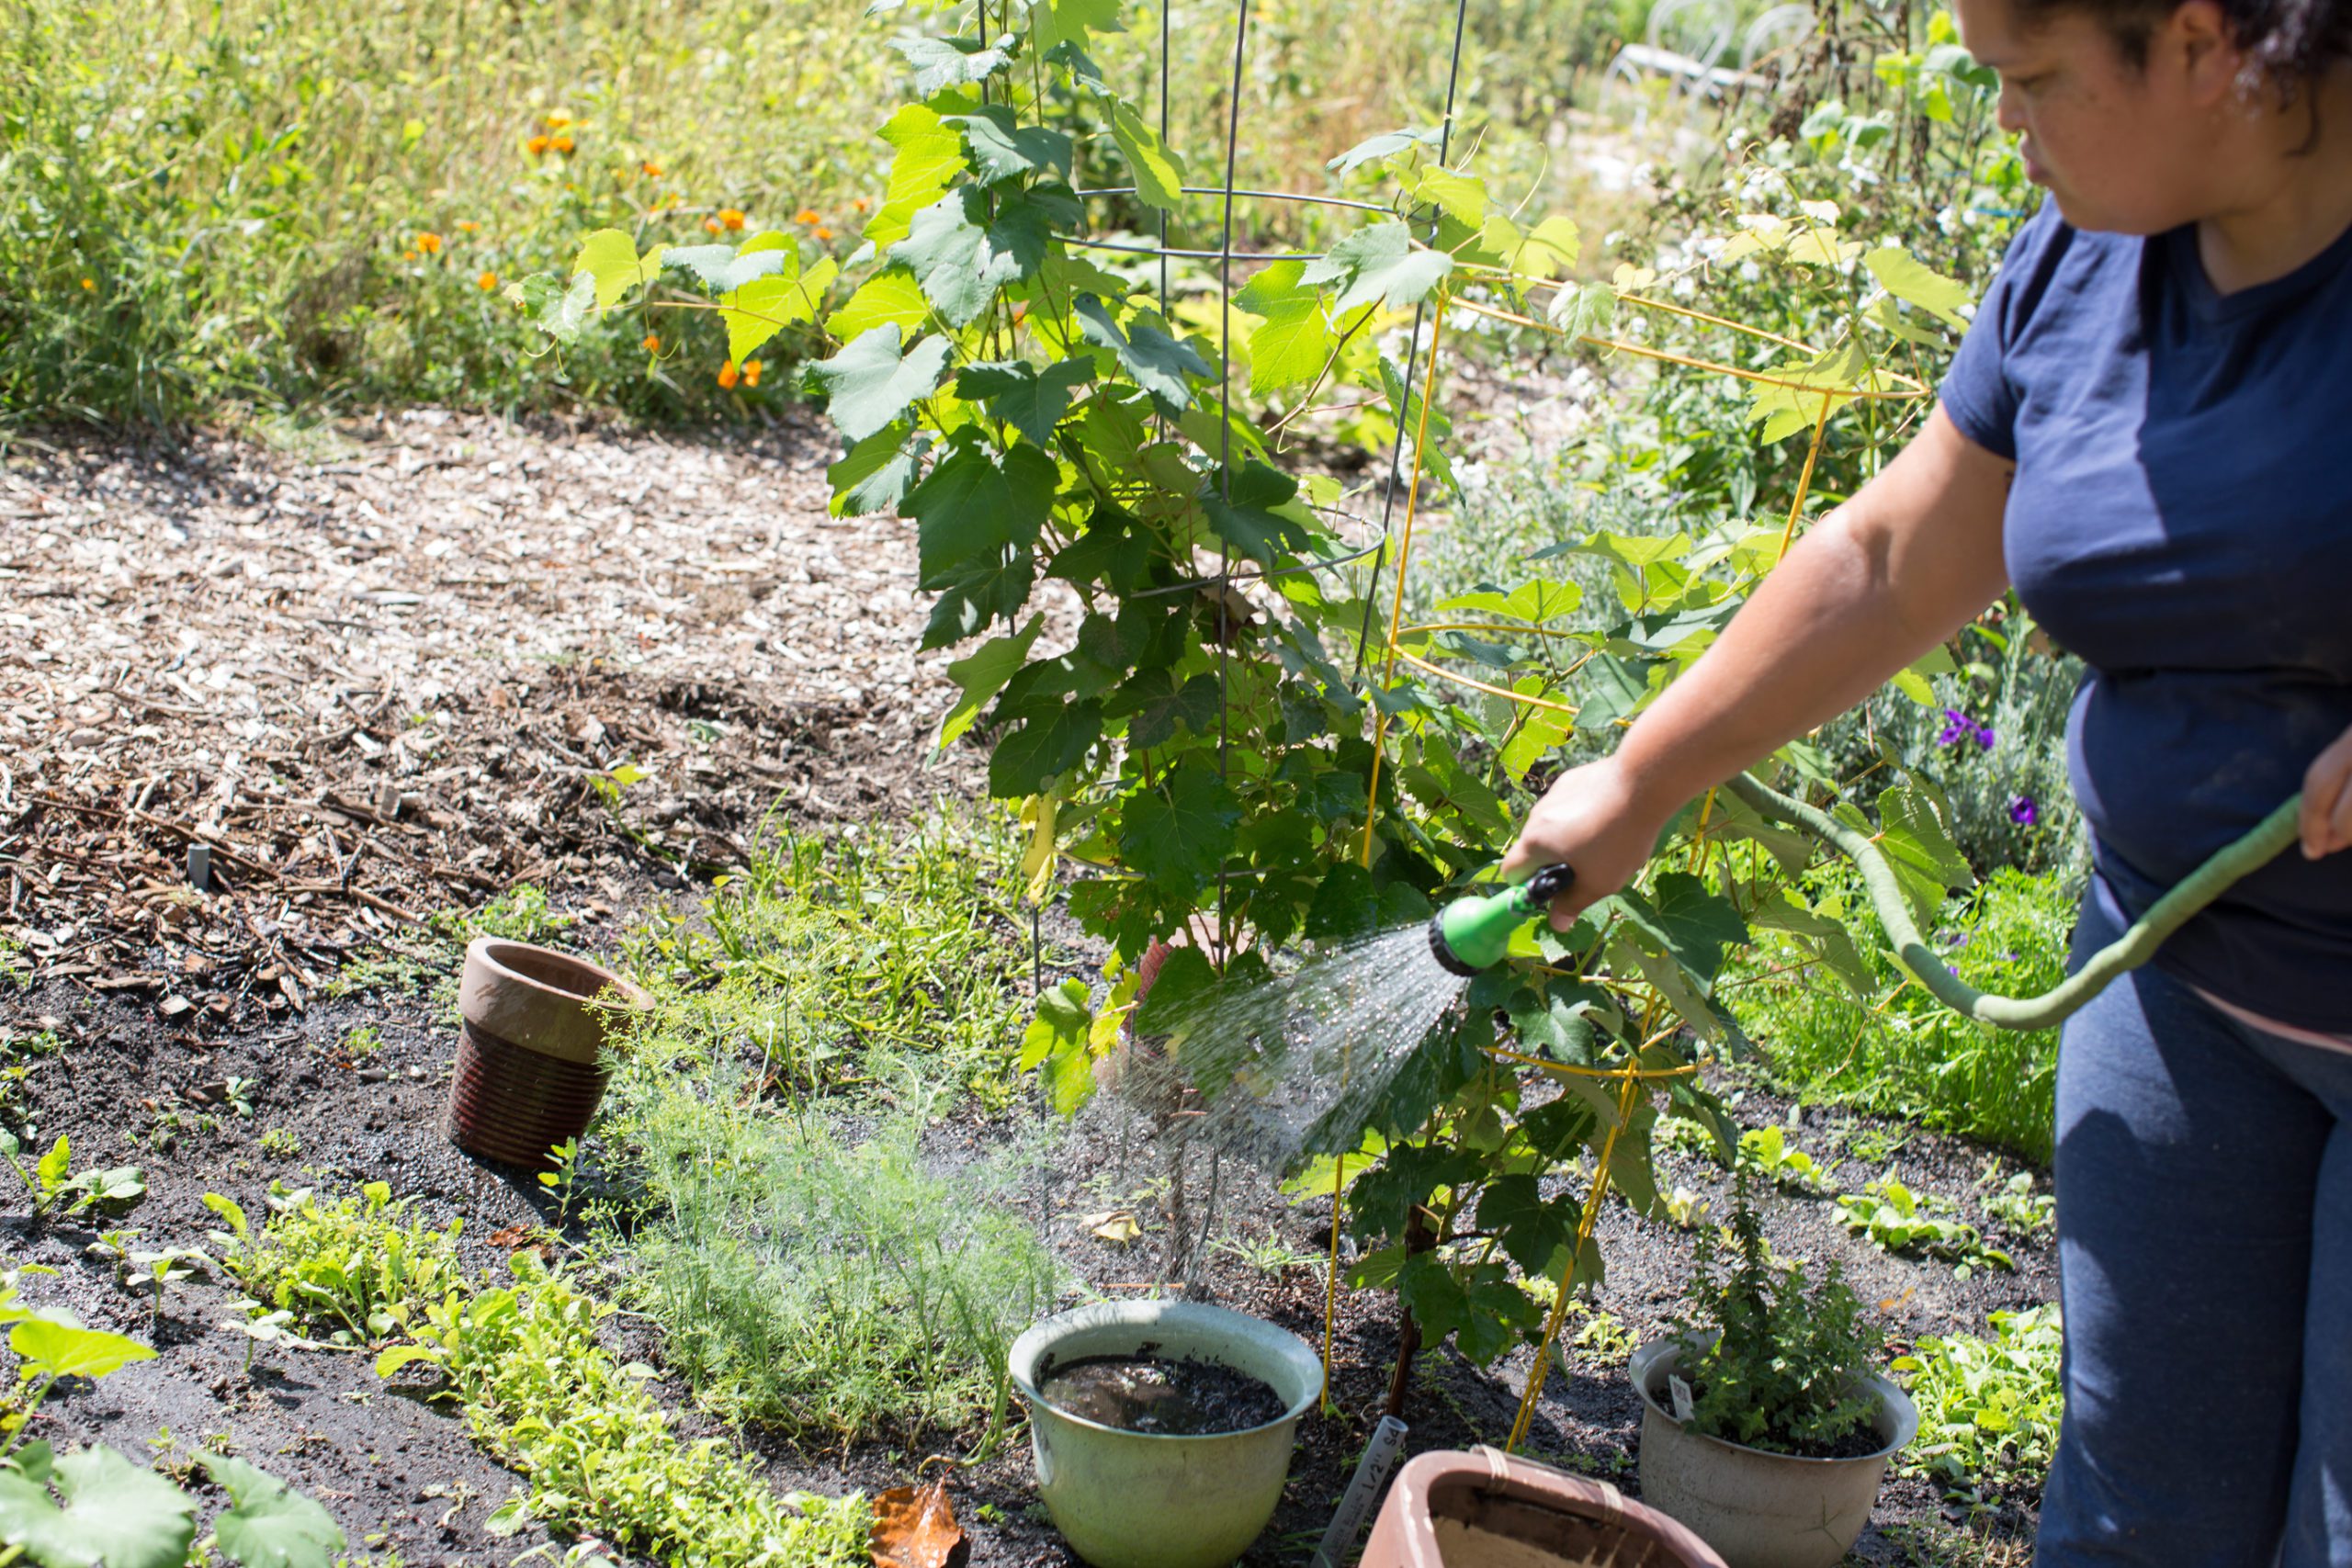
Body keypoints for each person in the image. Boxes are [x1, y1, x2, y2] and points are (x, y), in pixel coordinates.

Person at [1499, 0, 2352, 1557]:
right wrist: (1643, 777)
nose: (2005, 126)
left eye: (2033, 81)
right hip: (2178, 981)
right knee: (2136, 1504)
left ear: (2211, 42)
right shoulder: (2092, 264)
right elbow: (1893, 558)